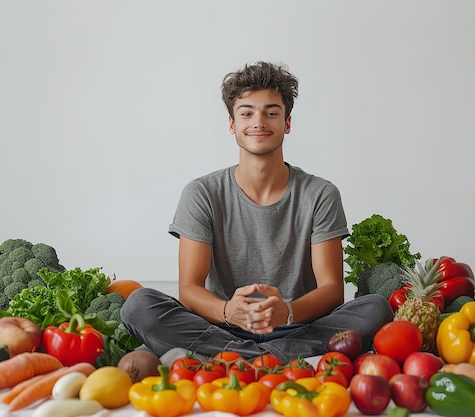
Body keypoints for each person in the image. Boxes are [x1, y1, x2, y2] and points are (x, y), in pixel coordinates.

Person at [121, 61, 393, 364]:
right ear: (232, 124)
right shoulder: (201, 193)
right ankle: (270, 360)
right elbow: (189, 289)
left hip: (296, 328)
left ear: (287, 123)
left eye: (271, 112)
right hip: (221, 327)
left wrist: (287, 311)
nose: (259, 122)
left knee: (375, 307)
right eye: (247, 112)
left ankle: (237, 360)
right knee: (139, 305)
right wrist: (229, 311)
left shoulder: (320, 194)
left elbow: (331, 290)